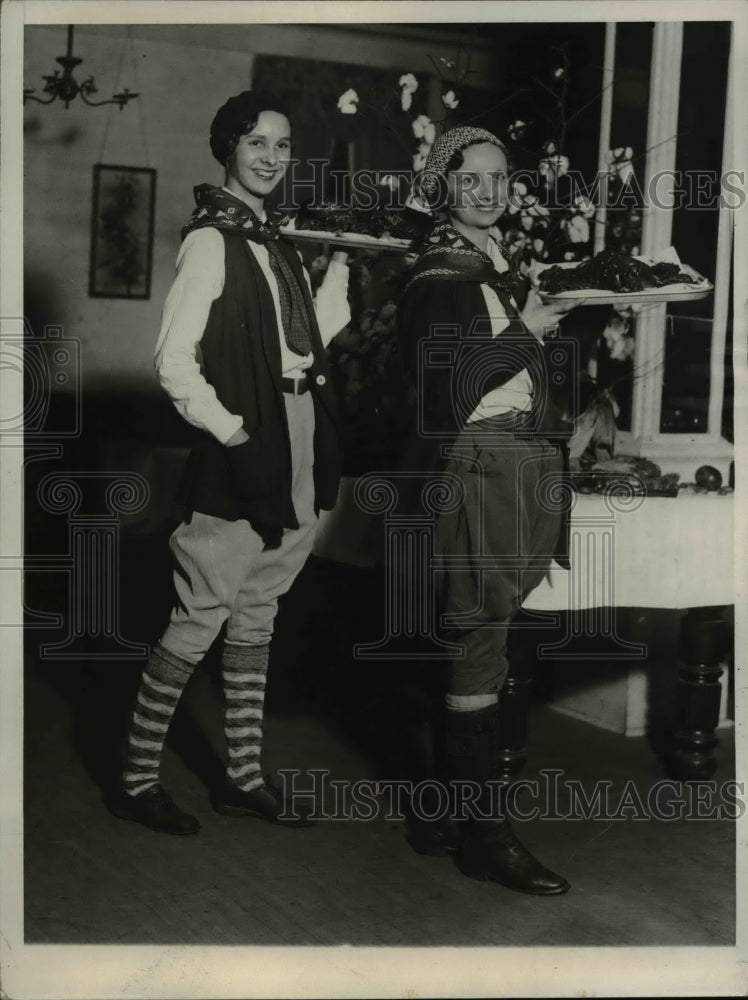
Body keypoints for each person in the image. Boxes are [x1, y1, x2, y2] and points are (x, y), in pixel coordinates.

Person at [106, 90, 350, 835]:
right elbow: (174, 362)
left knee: (259, 608)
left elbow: (311, 343)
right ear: (228, 150)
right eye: (257, 143)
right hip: (250, 438)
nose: (272, 157)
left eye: (283, 146)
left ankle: (241, 777)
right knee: (200, 612)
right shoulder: (212, 241)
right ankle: (135, 777)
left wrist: (340, 262)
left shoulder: (277, 242)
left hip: (301, 427)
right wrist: (234, 435)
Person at [395, 125, 579, 893]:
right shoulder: (438, 272)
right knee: (480, 637)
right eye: (471, 178)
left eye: (501, 177)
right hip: (479, 460)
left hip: (523, 457)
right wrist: (525, 331)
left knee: (487, 630)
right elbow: (445, 394)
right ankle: (484, 835)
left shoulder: (499, 266)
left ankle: (441, 812)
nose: (490, 191)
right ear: (443, 188)